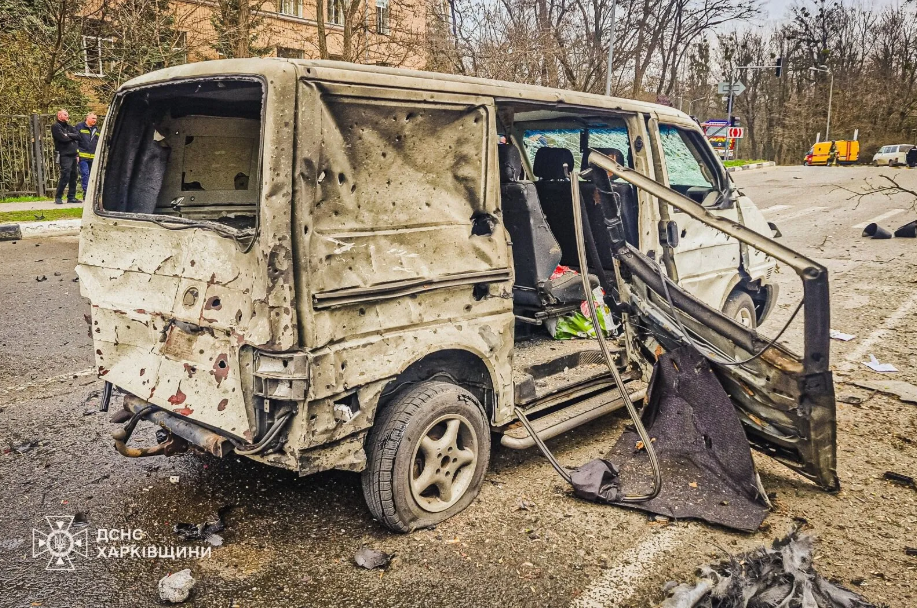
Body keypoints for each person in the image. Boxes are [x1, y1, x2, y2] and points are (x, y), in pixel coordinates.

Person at [51, 109, 80, 205]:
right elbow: (62, 138)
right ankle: (58, 196)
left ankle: (71, 197)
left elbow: (78, 136)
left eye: (67, 114)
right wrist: (70, 136)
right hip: (64, 155)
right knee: (65, 175)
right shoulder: (56, 126)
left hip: (73, 154)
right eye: (65, 114)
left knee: (74, 176)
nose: (67, 116)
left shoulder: (70, 127)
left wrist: (68, 135)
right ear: (59, 116)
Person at [74, 113, 99, 196]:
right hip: (83, 155)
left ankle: (93, 193)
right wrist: (77, 154)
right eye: (93, 118)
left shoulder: (96, 129)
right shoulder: (79, 127)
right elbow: (75, 140)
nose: (94, 120)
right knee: (85, 173)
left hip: (93, 156)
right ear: (87, 118)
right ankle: (86, 193)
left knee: (93, 175)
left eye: (95, 118)